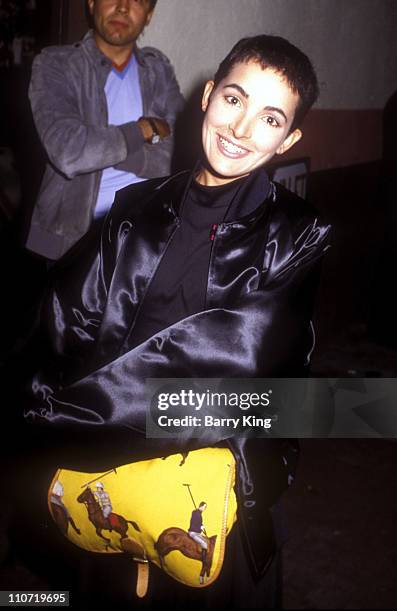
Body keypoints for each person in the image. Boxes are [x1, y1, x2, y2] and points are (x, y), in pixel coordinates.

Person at [21, 35, 331, 608]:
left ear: (288, 139)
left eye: (269, 117)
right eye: (234, 100)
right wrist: (39, 405)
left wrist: (61, 416)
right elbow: (65, 322)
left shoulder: (298, 233)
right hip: (109, 487)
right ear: (208, 97)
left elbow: (237, 365)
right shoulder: (136, 207)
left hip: (214, 497)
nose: (241, 130)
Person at [26, 0, 184, 260]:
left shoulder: (158, 70)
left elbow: (181, 153)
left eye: (137, 0)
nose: (123, 7)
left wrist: (108, 150)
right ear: (91, 4)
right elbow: (69, 152)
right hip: (72, 242)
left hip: (145, 239)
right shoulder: (56, 64)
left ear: (149, 15)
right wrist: (142, 130)